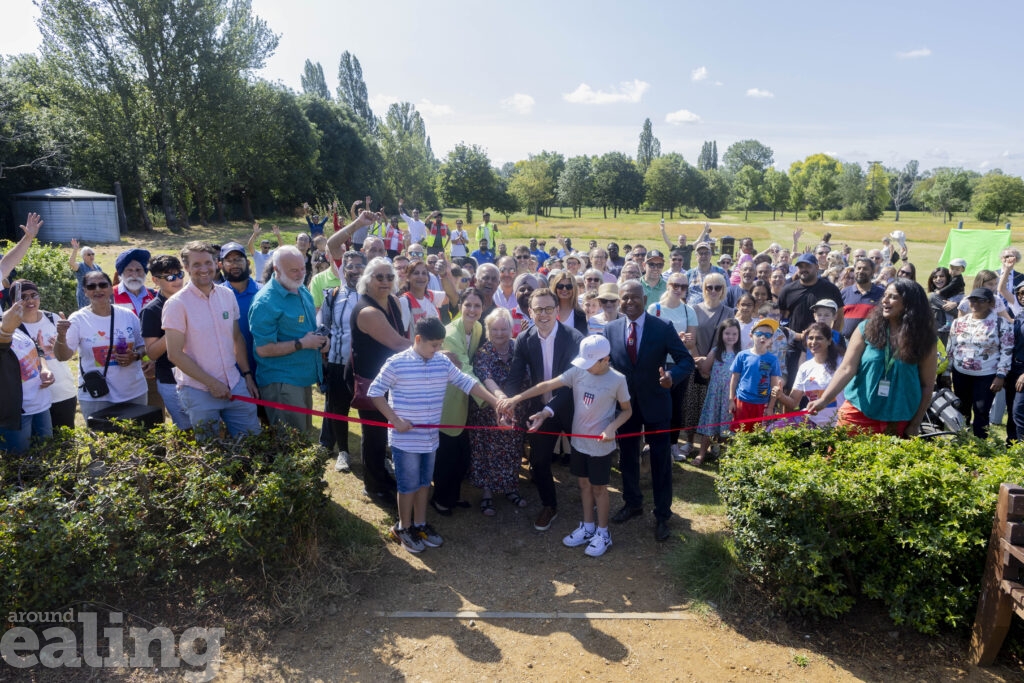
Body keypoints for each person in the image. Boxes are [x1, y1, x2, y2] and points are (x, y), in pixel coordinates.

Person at [368, 317, 502, 554]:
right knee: (407, 485)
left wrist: (496, 403)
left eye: (441, 344)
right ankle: (403, 527)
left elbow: (467, 383)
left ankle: (420, 524)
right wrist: (395, 420)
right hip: (406, 440)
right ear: (418, 339)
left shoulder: (441, 362)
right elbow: (375, 392)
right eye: (434, 345)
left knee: (423, 484)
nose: (439, 349)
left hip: (430, 438)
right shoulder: (396, 363)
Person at [503, 335, 632, 557]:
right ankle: (587, 526)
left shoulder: (618, 380)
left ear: (605, 360)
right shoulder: (579, 372)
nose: (586, 367)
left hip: (600, 446)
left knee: (599, 488)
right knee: (583, 484)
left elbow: (627, 411)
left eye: (591, 363)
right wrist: (516, 398)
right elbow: (546, 385)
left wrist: (612, 428)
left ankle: (603, 533)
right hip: (579, 442)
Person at [604, 280, 693, 542]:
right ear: (619, 301)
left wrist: (672, 377)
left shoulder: (663, 327)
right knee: (627, 458)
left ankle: (662, 514)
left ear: (644, 298)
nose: (629, 302)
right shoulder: (610, 329)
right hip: (626, 408)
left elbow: (686, 361)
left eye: (634, 298)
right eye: (624, 298)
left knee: (660, 461)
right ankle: (632, 503)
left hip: (656, 405)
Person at [807, 280, 937, 437]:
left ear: (909, 303)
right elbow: (847, 368)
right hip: (858, 411)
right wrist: (824, 400)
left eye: (893, 297)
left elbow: (927, 386)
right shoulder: (867, 328)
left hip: (899, 418)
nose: (885, 301)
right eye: (885, 296)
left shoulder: (924, 339)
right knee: (837, 458)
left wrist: (915, 423)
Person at [504, 288, 584, 531]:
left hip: (571, 406)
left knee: (582, 459)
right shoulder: (524, 339)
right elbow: (514, 377)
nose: (544, 314)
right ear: (530, 312)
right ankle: (549, 505)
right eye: (538, 309)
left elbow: (571, 384)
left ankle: (590, 500)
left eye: (549, 309)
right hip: (540, 411)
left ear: (557, 310)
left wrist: (549, 409)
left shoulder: (574, 338)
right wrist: (507, 403)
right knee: (538, 462)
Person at [162, 241, 260, 439]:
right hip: (199, 391)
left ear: (217, 264)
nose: (204, 269)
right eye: (196, 265)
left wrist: (247, 375)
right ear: (187, 268)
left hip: (234, 384)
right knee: (212, 454)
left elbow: (236, 338)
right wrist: (212, 384)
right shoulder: (176, 304)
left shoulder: (227, 295)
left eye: (208, 262)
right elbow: (174, 353)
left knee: (252, 442)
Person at [248, 245, 326, 434]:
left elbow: (308, 328)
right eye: (294, 270)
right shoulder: (265, 302)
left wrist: (321, 340)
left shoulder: (300, 289)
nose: (300, 274)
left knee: (303, 436)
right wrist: (302, 343)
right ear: (276, 270)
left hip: (301, 378)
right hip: (282, 383)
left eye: (303, 268)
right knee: (291, 444)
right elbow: (264, 349)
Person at [350, 257, 410, 502]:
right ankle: (373, 485)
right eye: (379, 277)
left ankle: (383, 476)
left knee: (384, 432)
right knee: (373, 433)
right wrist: (434, 350)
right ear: (368, 280)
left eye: (389, 277)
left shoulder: (394, 301)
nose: (385, 282)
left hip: (389, 377)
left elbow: (402, 335)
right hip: (370, 381)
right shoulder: (367, 311)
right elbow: (398, 343)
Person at [55, 270, 147, 420]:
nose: (98, 289)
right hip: (97, 395)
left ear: (111, 288)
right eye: (91, 287)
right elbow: (62, 356)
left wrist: (135, 356)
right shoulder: (78, 319)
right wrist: (61, 336)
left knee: (137, 439)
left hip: (133, 391)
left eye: (103, 285)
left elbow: (143, 346)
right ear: (85, 292)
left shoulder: (128, 315)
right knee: (100, 440)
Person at [432, 288, 487, 515]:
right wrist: (493, 400)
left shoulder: (478, 328)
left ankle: (452, 497)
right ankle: (440, 500)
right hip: (447, 400)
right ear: (460, 306)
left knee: (461, 456)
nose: (472, 310)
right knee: (447, 454)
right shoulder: (451, 334)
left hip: (464, 399)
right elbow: (466, 370)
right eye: (468, 305)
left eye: (477, 306)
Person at [469, 307, 529, 514]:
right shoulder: (483, 353)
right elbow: (487, 379)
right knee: (487, 451)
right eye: (495, 329)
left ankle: (511, 488)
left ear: (511, 329)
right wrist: (501, 399)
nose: (500, 333)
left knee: (513, 450)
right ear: (488, 330)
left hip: (515, 410)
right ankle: (487, 493)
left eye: (504, 329)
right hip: (489, 411)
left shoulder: (517, 348)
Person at [318, 250, 366, 473]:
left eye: (359, 266)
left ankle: (374, 454)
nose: (355, 270)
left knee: (371, 412)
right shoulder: (334, 295)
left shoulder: (373, 296)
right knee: (339, 409)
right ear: (343, 270)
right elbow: (324, 328)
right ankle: (344, 452)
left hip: (366, 366)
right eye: (351, 266)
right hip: (338, 363)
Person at [11, 279, 76, 431]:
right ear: (14, 301)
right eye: (23, 297)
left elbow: (68, 354)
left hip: (63, 392)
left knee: (66, 446)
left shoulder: (53, 319)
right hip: (33, 400)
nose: (30, 300)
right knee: (40, 449)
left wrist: (60, 341)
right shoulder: (10, 327)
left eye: (34, 295)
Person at [947, 288, 1013, 439]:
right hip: (961, 373)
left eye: (980, 300)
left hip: (987, 375)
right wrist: (946, 372)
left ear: (990, 303)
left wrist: (1001, 375)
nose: (975, 303)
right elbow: (951, 347)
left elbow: (1007, 350)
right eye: (972, 300)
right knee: (961, 409)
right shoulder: (959, 322)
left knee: (981, 410)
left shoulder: (1000, 323)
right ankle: (961, 441)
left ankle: (980, 445)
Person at [778, 252, 844, 390]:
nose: (803, 269)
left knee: (818, 386)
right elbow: (782, 317)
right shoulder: (788, 289)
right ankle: (790, 412)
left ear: (816, 267)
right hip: (795, 346)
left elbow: (839, 316)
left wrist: (831, 338)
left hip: (822, 345)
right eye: (800, 266)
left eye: (807, 266)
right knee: (792, 387)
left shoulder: (830, 288)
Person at [649, 273, 697, 460]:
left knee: (676, 406)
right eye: (675, 285)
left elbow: (691, 346)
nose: (679, 289)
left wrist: (686, 341)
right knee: (657, 405)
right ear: (668, 286)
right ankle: (653, 444)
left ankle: (673, 444)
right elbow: (649, 339)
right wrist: (673, 339)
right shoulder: (655, 308)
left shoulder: (688, 311)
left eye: (683, 286)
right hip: (658, 364)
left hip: (679, 365)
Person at [139, 256, 191, 430]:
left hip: (201, 377)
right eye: (169, 277)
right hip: (172, 381)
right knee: (188, 432)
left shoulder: (194, 301)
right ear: (155, 280)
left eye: (179, 275)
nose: (176, 280)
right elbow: (152, 353)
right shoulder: (151, 310)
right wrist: (174, 328)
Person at [0, 297, 54, 454]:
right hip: (15, 414)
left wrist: (44, 368)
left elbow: (37, 349)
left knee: (48, 456)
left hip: (40, 405)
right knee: (20, 467)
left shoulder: (14, 322)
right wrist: (6, 330)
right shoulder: (8, 326)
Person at [772, 322, 845, 427]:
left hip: (838, 423)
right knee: (773, 429)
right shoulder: (805, 367)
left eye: (819, 338)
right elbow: (793, 402)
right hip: (811, 421)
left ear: (829, 341)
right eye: (810, 338)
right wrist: (781, 395)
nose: (813, 342)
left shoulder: (842, 363)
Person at [694, 318, 742, 465]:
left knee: (726, 424)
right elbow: (705, 370)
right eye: (727, 333)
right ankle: (702, 454)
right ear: (721, 334)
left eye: (734, 334)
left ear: (739, 335)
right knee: (710, 423)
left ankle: (721, 453)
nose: (731, 337)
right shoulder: (715, 352)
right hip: (715, 394)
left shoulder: (740, 353)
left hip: (730, 396)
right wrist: (716, 382)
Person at [728, 318, 782, 432]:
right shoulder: (742, 355)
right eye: (759, 333)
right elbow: (734, 378)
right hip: (742, 401)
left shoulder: (773, 360)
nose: (763, 337)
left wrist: (771, 407)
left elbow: (774, 386)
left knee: (757, 435)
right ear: (751, 335)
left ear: (771, 339)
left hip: (761, 404)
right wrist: (731, 400)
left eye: (768, 335)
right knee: (739, 434)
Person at [398, 259, 458, 338]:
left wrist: (443, 275)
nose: (421, 276)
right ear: (408, 277)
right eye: (416, 273)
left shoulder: (430, 296)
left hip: (436, 347)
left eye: (424, 273)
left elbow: (453, 297)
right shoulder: (404, 301)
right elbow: (401, 335)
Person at [841, 258, 884, 340]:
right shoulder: (844, 292)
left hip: (871, 343)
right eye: (858, 268)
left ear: (873, 272)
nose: (861, 271)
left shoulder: (882, 294)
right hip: (845, 342)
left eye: (865, 269)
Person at [112, 248, 156, 317]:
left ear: (145, 272)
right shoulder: (110, 295)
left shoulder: (154, 295)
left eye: (138, 270)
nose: (135, 275)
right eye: (130, 270)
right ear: (121, 273)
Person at [549, 270, 589, 337]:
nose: (564, 289)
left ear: (574, 289)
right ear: (555, 288)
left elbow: (581, 338)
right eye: (560, 286)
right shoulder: (548, 310)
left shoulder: (580, 314)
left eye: (569, 286)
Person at [69, 239, 103, 309]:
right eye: (89, 254)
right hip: (84, 297)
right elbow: (71, 263)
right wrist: (75, 250)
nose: (91, 256)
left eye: (92, 254)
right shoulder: (80, 266)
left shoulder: (98, 267)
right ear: (83, 256)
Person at [246, 222, 282, 286]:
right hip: (258, 283)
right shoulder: (256, 254)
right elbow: (250, 245)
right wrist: (255, 234)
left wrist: (278, 235)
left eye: (268, 247)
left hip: (269, 283)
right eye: (265, 247)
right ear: (260, 246)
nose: (267, 249)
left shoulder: (271, 253)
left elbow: (281, 246)